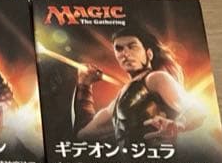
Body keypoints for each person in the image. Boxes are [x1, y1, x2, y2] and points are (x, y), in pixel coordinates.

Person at [71, 26, 204, 147]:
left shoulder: (156, 78)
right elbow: (83, 134)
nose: (125, 53)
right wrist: (84, 85)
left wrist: (179, 125)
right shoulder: (119, 101)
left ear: (149, 54)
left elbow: (197, 110)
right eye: (119, 49)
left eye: (132, 47)